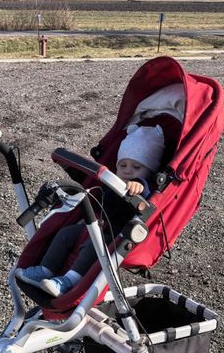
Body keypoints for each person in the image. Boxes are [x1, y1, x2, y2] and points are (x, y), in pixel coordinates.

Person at [17, 124, 165, 297]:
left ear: (149, 171)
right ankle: (45, 269)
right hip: (97, 224)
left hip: (115, 235)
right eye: (123, 165)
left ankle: (68, 281)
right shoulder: (114, 182)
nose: (128, 170)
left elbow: (146, 197)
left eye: (137, 167)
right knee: (66, 233)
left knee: (94, 247)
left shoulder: (141, 186)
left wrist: (139, 186)